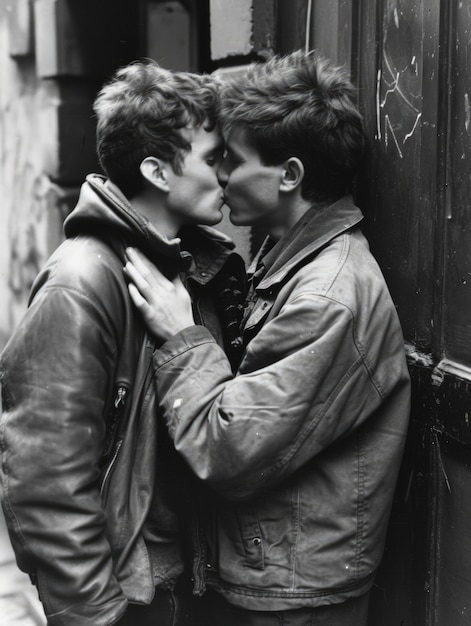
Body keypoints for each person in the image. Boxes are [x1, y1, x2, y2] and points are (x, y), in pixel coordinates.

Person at [124, 50, 411, 626]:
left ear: (289, 175)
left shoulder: (327, 297)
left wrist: (183, 335)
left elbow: (228, 451)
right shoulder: (287, 261)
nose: (221, 173)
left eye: (233, 157)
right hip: (274, 579)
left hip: (294, 603)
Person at [0, 60, 245, 626]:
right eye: (213, 158)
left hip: (190, 584)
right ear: (159, 171)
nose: (227, 173)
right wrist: (96, 616)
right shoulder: (82, 283)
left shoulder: (191, 269)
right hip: (135, 599)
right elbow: (43, 483)